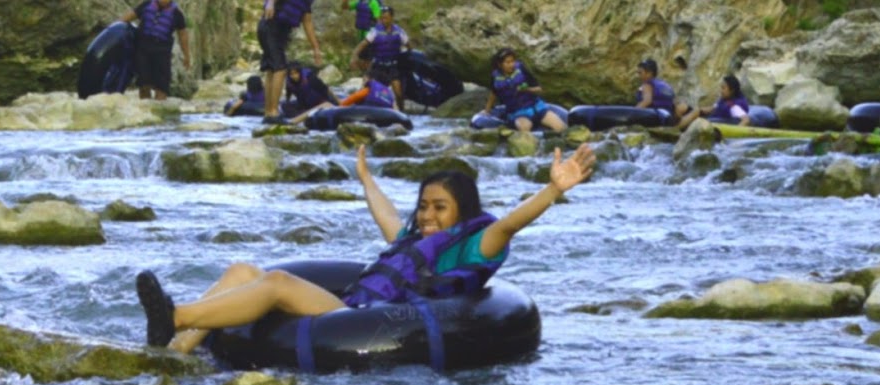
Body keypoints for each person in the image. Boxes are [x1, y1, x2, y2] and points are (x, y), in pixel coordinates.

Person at [134, 143, 597, 353]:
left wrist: (553, 191)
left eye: (440, 208)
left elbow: (514, 221)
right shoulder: (413, 238)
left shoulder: (477, 244)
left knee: (275, 283)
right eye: (425, 207)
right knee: (240, 270)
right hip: (353, 303)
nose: (429, 216)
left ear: (464, 212)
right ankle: (171, 353)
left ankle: (176, 316)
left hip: (357, 319)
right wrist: (365, 179)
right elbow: (388, 218)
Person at [258, 0, 323, 124]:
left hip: (274, 31)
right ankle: (273, 112)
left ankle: (268, 112)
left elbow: (307, 23)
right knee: (280, 69)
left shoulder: (307, 3)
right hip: (271, 26)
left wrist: (316, 48)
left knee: (272, 69)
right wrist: (271, 3)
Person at [481, 47, 566, 133]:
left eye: (513, 61)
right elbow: (494, 93)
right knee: (525, 129)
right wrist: (487, 111)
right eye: (508, 62)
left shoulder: (521, 69)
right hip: (517, 113)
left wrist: (527, 89)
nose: (512, 64)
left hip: (537, 108)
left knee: (561, 128)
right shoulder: (495, 76)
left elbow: (539, 89)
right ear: (500, 64)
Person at [120, 0, 191, 100]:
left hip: (162, 52)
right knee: (144, 84)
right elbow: (127, 17)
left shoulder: (177, 13)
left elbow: (183, 35)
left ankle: (160, 108)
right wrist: (115, 27)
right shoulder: (146, 6)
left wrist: (186, 55)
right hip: (143, 49)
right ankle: (145, 109)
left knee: (162, 87)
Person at [349, 6, 409, 110]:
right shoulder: (375, 31)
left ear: (391, 18)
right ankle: (357, 109)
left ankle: (402, 115)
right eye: (382, 18)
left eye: (385, 18)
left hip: (393, 68)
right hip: (377, 67)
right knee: (365, 90)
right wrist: (354, 57)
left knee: (399, 94)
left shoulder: (399, 32)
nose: (383, 20)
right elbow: (362, 45)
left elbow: (409, 47)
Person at [678, 75, 751, 129]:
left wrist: (734, 132)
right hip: (712, 118)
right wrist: (700, 110)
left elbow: (746, 120)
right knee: (683, 107)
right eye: (721, 87)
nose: (721, 90)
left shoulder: (734, 106)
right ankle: (673, 123)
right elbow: (712, 108)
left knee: (696, 111)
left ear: (732, 90)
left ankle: (676, 128)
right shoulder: (724, 100)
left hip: (716, 123)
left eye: (723, 88)